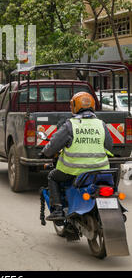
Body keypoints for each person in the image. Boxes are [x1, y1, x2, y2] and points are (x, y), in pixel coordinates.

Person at [40, 92, 113, 221]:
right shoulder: (101, 124)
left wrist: (44, 152)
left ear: (74, 106)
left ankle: (57, 209)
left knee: (52, 176)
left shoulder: (70, 125)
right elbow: (109, 146)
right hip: (101, 171)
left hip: (74, 172)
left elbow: (53, 146)